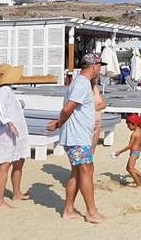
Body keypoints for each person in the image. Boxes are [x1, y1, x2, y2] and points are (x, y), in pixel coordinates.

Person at [47, 53, 105, 223]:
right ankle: (91, 212)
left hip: (77, 135)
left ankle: (69, 209)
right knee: (87, 171)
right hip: (77, 137)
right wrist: (59, 123)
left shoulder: (80, 82)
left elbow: (71, 108)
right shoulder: (82, 83)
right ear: (94, 66)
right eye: (99, 66)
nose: (100, 69)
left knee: (77, 172)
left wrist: (60, 123)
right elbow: (68, 108)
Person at [0, 63, 31, 209]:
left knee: (19, 161)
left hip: (15, 133)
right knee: (5, 165)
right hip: (5, 134)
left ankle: (16, 193)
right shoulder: (3, 90)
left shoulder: (6, 90)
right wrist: (8, 122)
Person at [112, 114, 141, 187]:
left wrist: (119, 152)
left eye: (129, 125)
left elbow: (129, 146)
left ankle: (139, 184)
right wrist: (140, 146)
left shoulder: (134, 134)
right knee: (129, 168)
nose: (128, 127)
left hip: (134, 153)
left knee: (130, 168)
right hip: (136, 151)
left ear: (135, 124)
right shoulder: (140, 131)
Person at [91, 77, 107, 149]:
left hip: (97, 123)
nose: (97, 80)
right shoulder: (84, 89)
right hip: (87, 123)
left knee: (92, 148)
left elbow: (103, 105)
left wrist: (89, 109)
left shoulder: (95, 89)